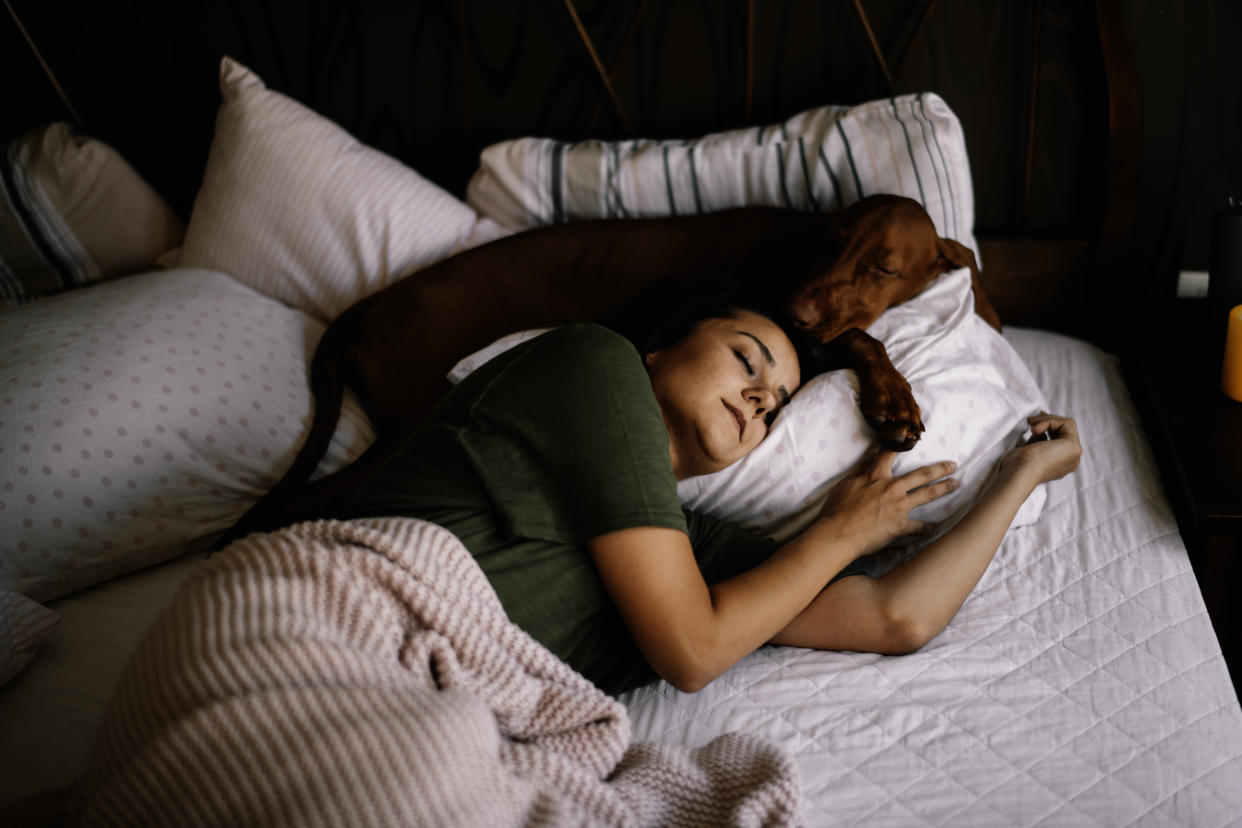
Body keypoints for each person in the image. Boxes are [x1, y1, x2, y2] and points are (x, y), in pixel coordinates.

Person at [337, 298, 1081, 696]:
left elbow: (897, 617)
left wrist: (1020, 477)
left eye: (776, 405)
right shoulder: (594, 361)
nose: (761, 398)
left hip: (431, 709)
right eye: (744, 359)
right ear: (660, 349)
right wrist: (839, 537)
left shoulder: (692, 554)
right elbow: (694, 652)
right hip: (342, 622)